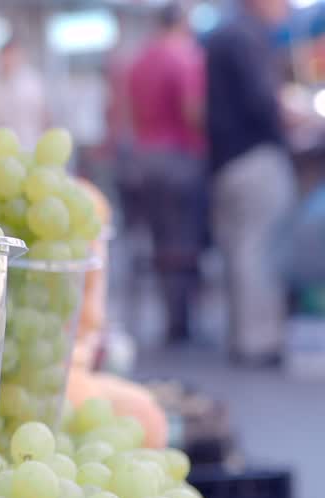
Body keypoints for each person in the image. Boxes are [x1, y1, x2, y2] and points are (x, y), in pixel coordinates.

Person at [204, 0, 294, 365]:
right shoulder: (246, 37)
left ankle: (242, 335)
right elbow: (262, 102)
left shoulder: (221, 35)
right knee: (259, 249)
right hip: (254, 157)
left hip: (225, 161)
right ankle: (258, 340)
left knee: (238, 249)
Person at [128, 2, 207, 343]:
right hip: (179, 157)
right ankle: (182, 325)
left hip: (146, 157)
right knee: (185, 243)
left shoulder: (139, 61)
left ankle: (171, 320)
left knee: (162, 242)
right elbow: (193, 111)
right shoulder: (184, 57)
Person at [0, 38, 47, 149]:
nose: (9, 61)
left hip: (29, 144)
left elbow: (43, 115)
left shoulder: (32, 82)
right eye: (5, 56)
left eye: (13, 56)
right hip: (1, 147)